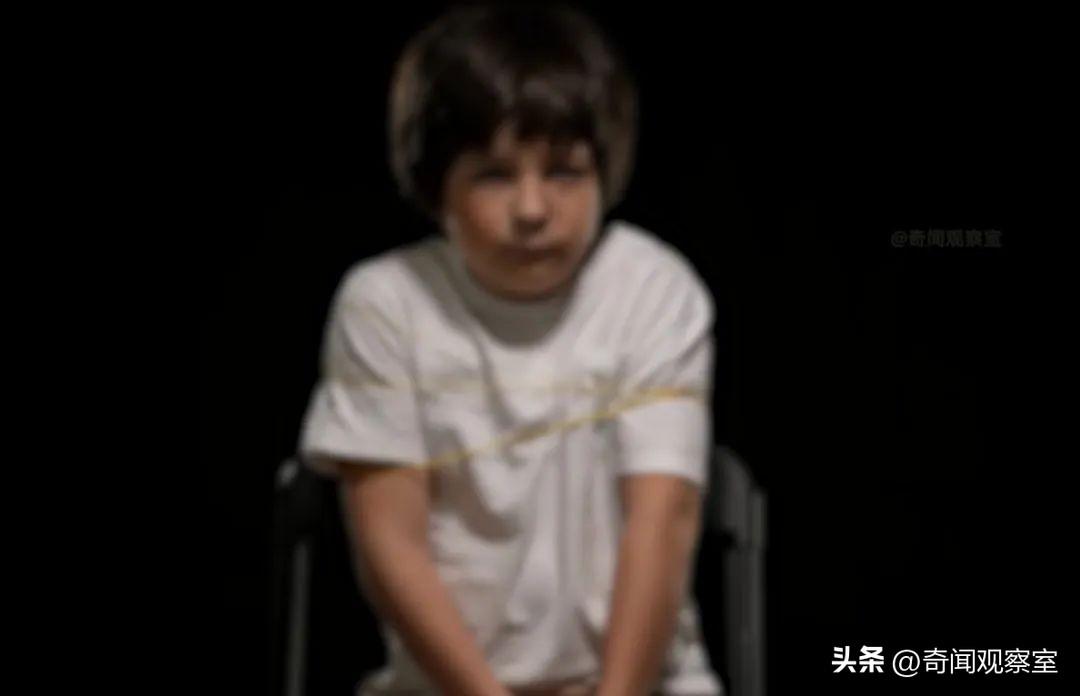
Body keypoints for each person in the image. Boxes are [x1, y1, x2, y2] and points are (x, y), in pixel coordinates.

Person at [299, 3, 724, 694]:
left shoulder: (653, 289)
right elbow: (390, 543)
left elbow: (662, 522)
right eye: (493, 175)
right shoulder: (385, 302)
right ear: (437, 187)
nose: (531, 209)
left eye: (564, 173)